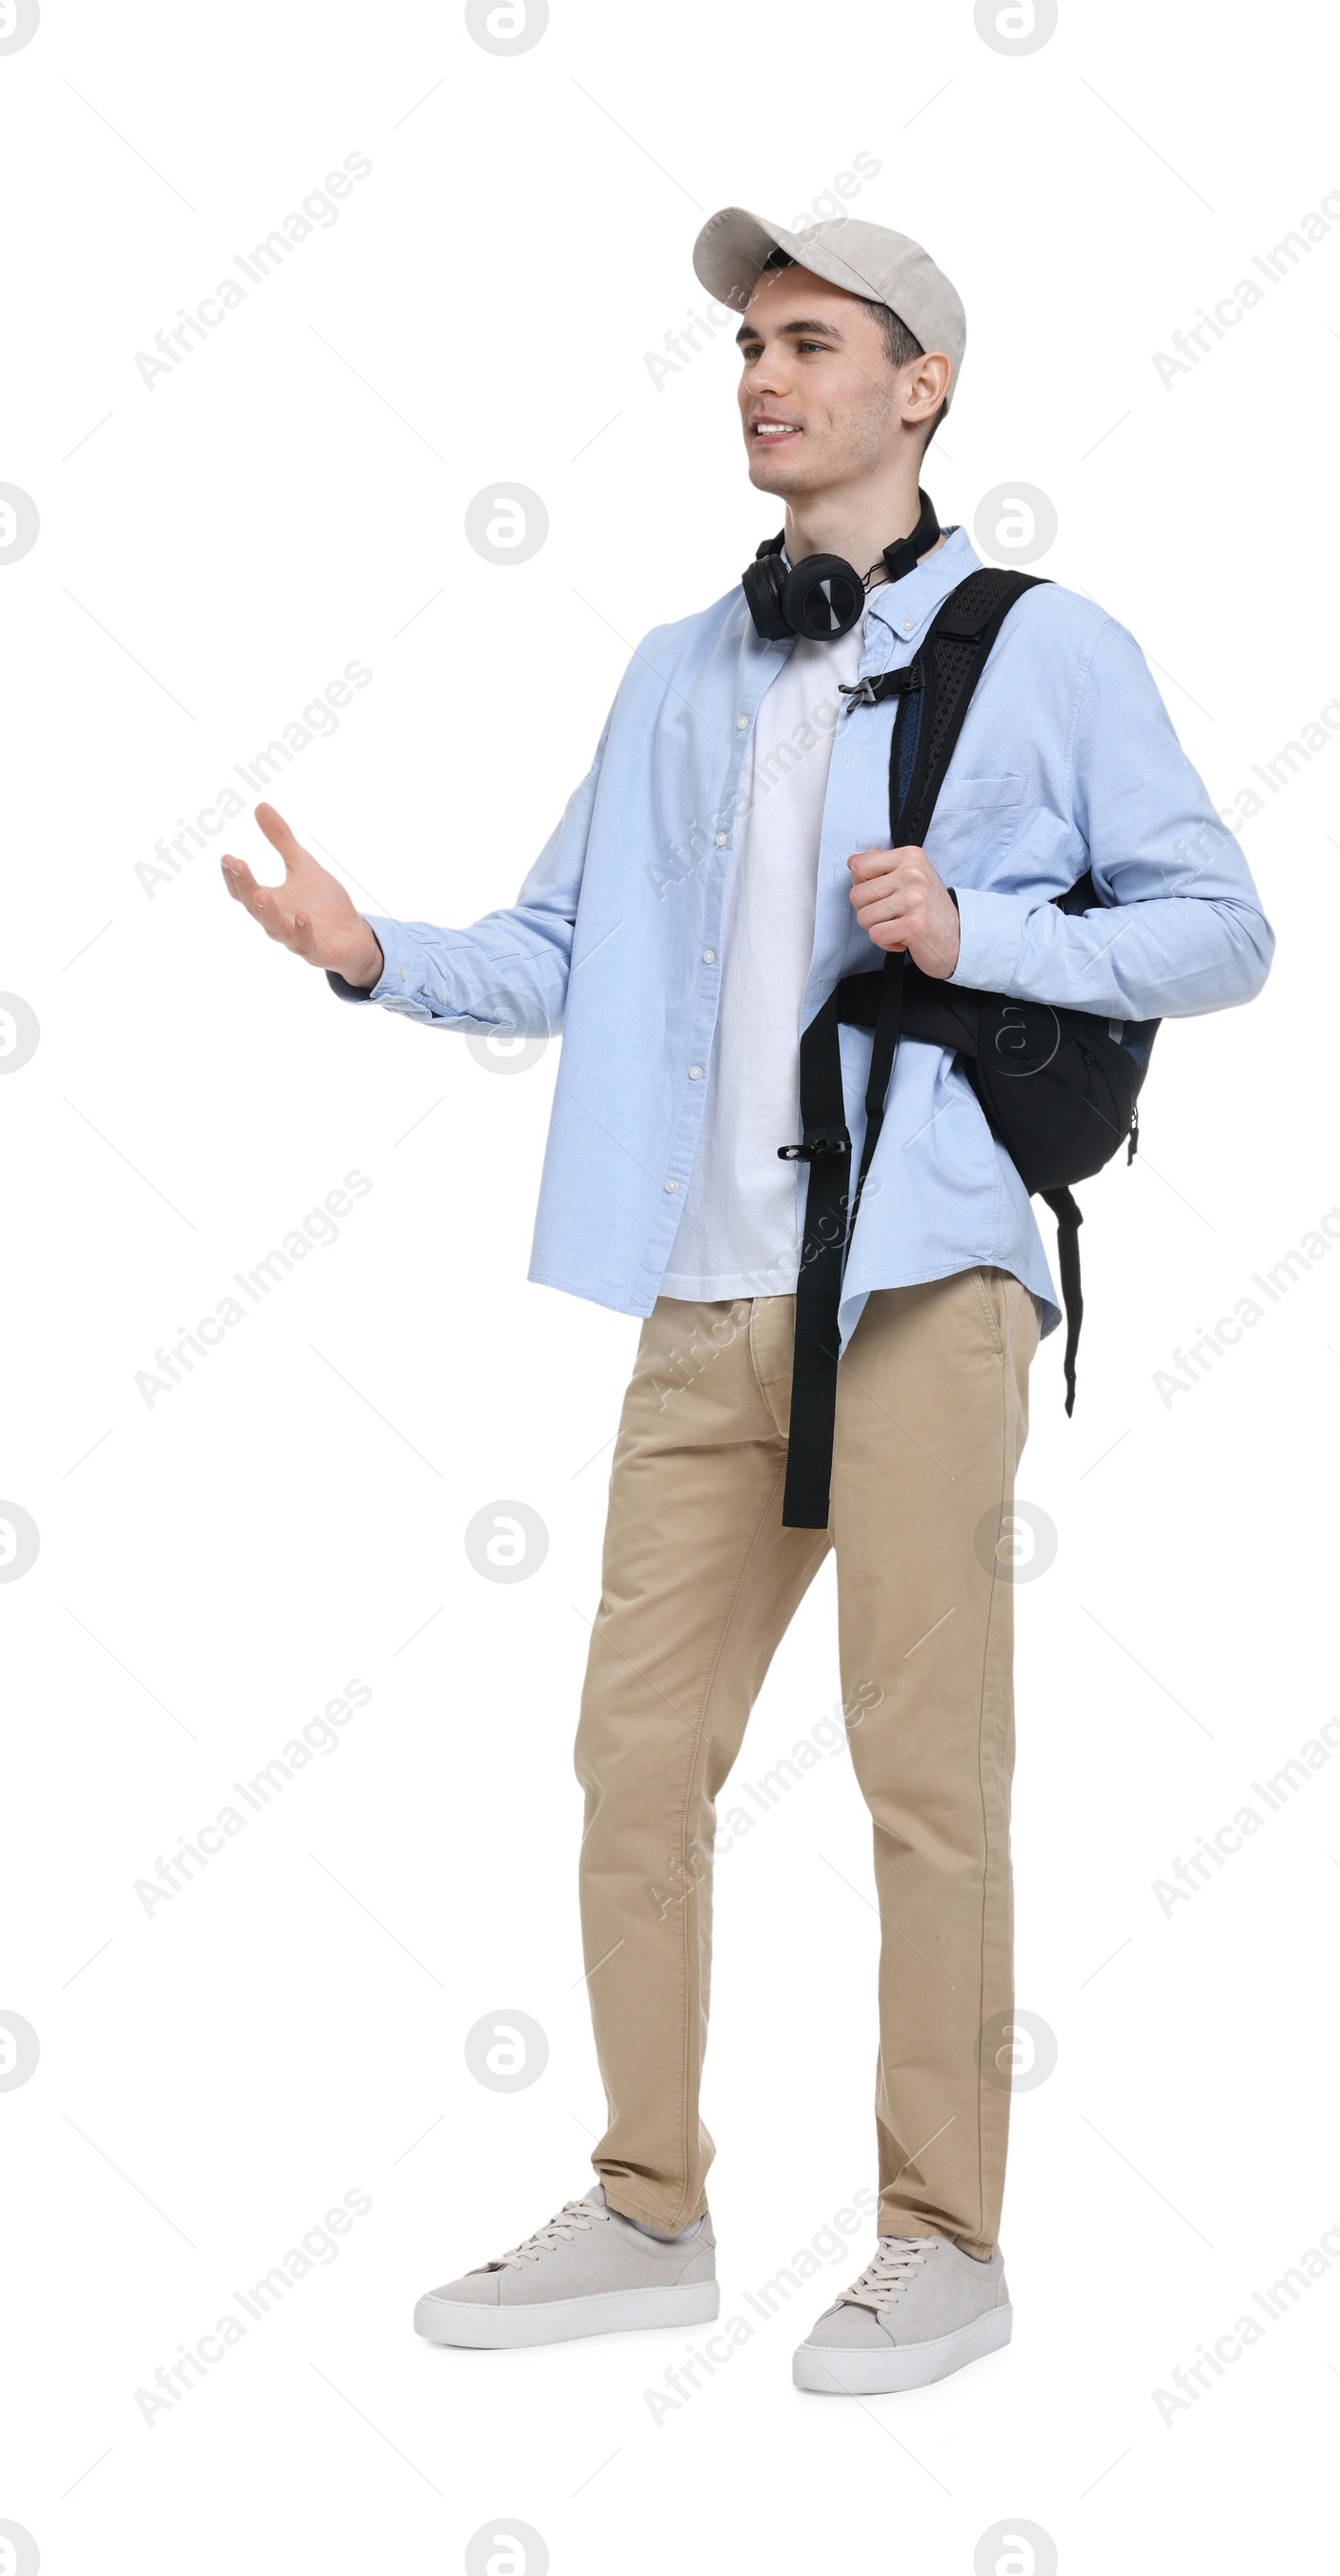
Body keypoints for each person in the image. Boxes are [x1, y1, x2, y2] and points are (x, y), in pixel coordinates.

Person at [222, 207, 1274, 2396]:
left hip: (915, 1287)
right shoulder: (673, 671)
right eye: (743, 350)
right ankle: (645, 2204)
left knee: (923, 1772)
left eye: (808, 343)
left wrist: (985, 930)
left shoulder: (1046, 647)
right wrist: (365, 950)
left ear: (922, 390)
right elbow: (553, 950)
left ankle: (941, 2238)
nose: (760, 378)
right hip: (706, 1300)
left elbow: (1216, 926)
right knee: (630, 1765)